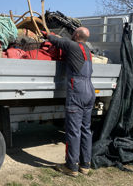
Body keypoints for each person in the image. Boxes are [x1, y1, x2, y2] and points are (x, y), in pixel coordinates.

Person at [45, 27, 95, 177]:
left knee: (74, 131)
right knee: (86, 129)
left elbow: (57, 41)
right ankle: (85, 165)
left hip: (77, 91)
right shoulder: (87, 50)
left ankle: (71, 167)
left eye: (74, 32)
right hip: (90, 91)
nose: (72, 33)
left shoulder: (72, 45)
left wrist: (47, 35)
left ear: (77, 35)